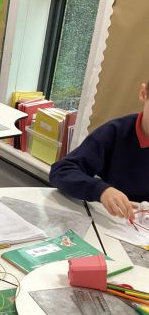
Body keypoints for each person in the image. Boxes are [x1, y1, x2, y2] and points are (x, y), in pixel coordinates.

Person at [49, 82, 149, 221]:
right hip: (118, 222)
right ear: (144, 93)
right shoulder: (115, 132)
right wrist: (102, 190)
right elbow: (61, 171)